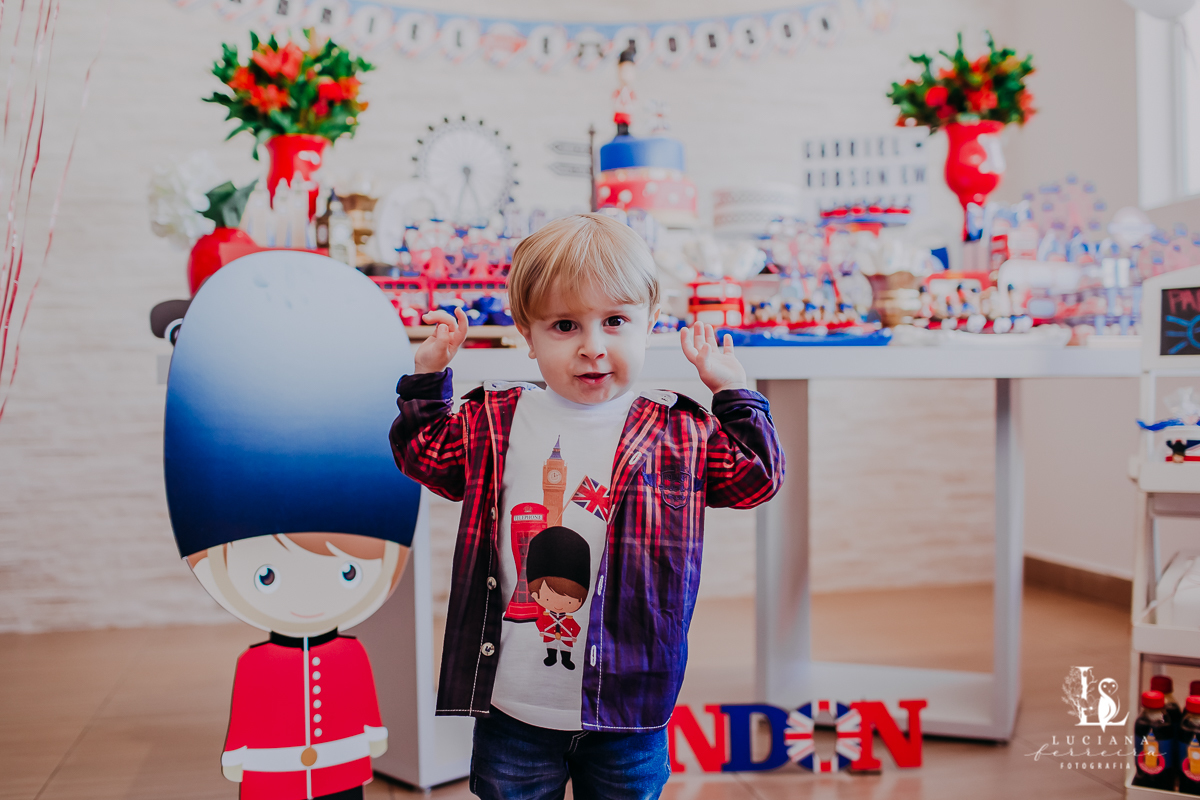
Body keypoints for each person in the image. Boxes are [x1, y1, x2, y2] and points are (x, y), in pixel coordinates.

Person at [390, 212, 784, 800]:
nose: (592, 348)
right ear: (527, 333)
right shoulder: (497, 417)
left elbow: (757, 478)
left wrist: (732, 393)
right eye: (565, 325)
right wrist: (427, 376)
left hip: (632, 700)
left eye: (616, 321)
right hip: (513, 707)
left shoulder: (677, 430)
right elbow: (425, 455)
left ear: (651, 322)